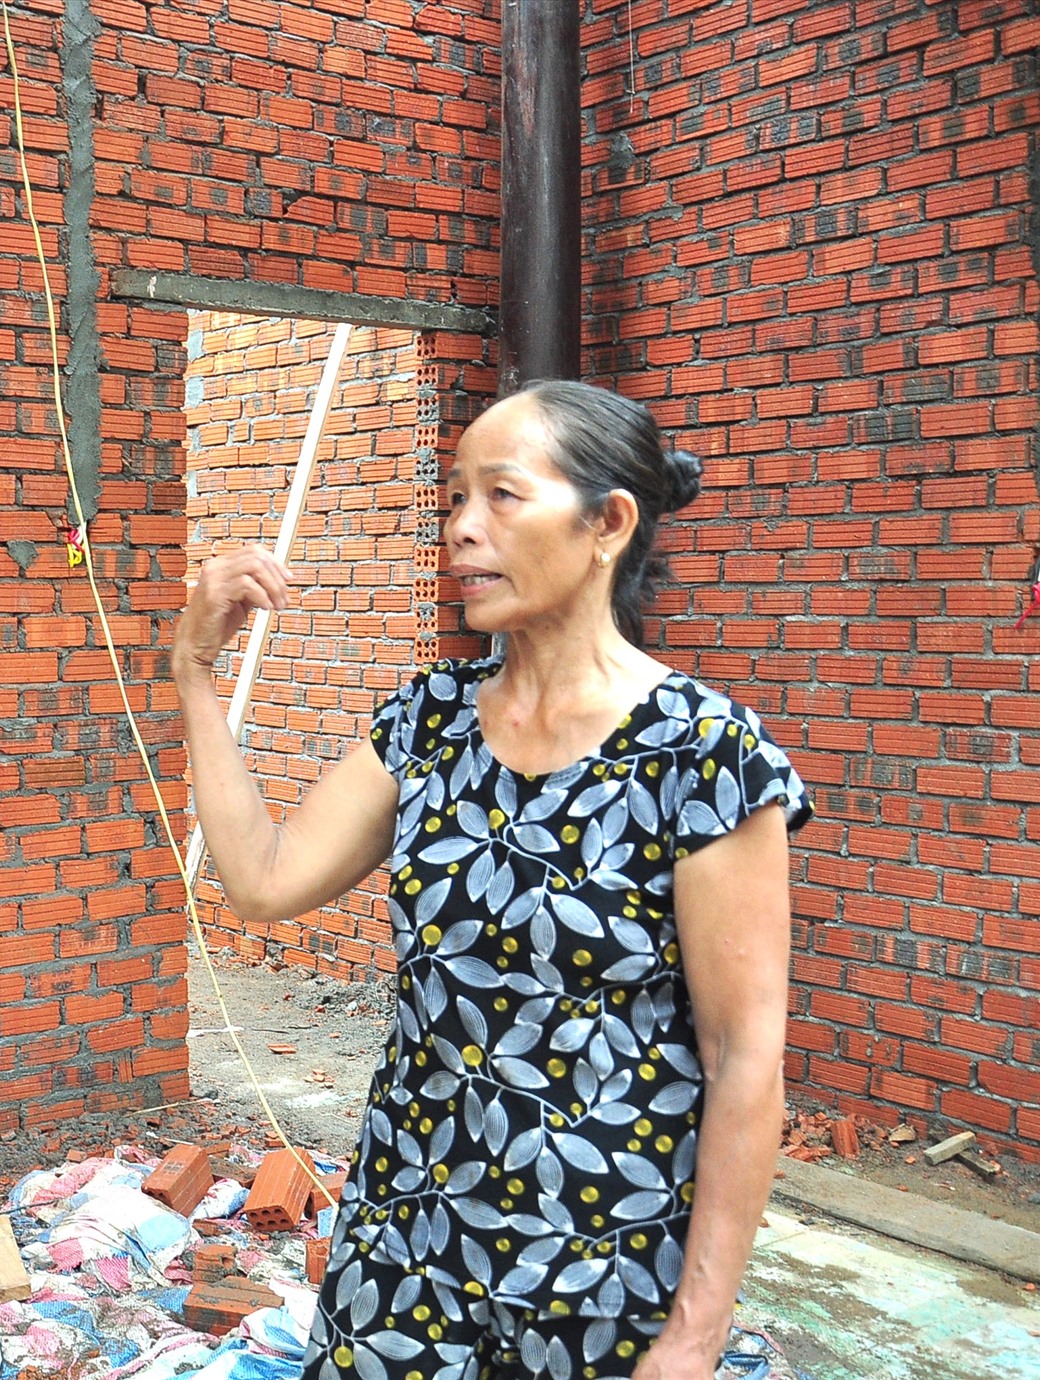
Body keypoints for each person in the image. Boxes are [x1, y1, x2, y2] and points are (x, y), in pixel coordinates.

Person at [176, 381, 809, 1380]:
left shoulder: (700, 756)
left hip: (602, 1261)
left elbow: (744, 1059)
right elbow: (259, 880)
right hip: (405, 1244)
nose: (460, 531)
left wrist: (690, 1335)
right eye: (452, 501)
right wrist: (194, 676)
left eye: (499, 497)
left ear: (606, 523)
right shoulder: (428, 724)